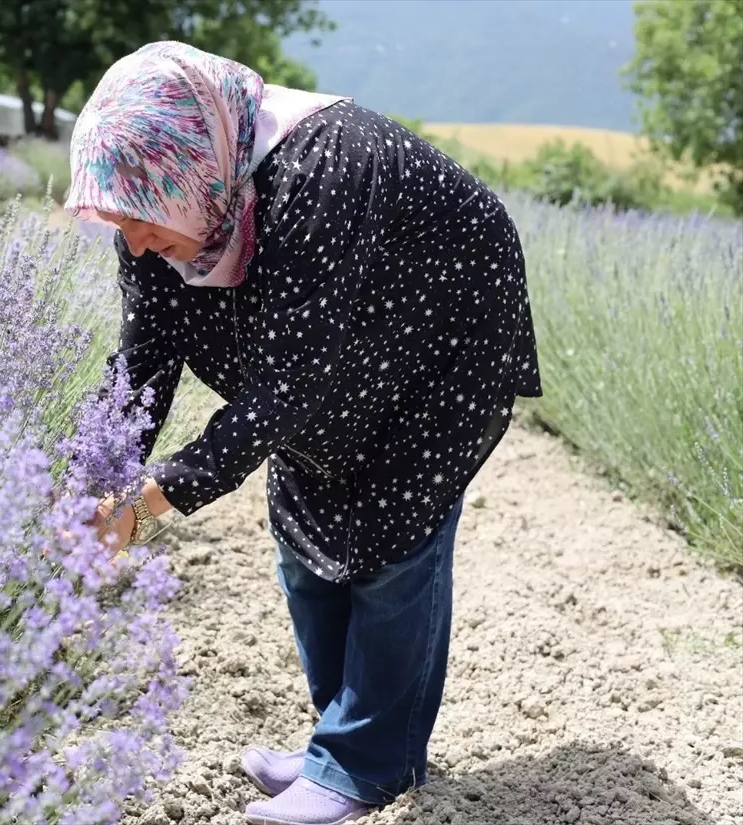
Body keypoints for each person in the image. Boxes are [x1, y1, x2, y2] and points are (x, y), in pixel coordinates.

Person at [64, 42, 542, 825]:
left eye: (142, 220)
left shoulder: (326, 166)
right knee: (305, 534)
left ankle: (366, 766)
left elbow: (285, 386)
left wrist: (146, 502)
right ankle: (339, 739)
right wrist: (88, 482)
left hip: (444, 342)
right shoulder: (164, 207)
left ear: (188, 170)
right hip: (343, 348)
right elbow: (143, 364)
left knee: (394, 550)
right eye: (119, 222)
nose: (137, 242)